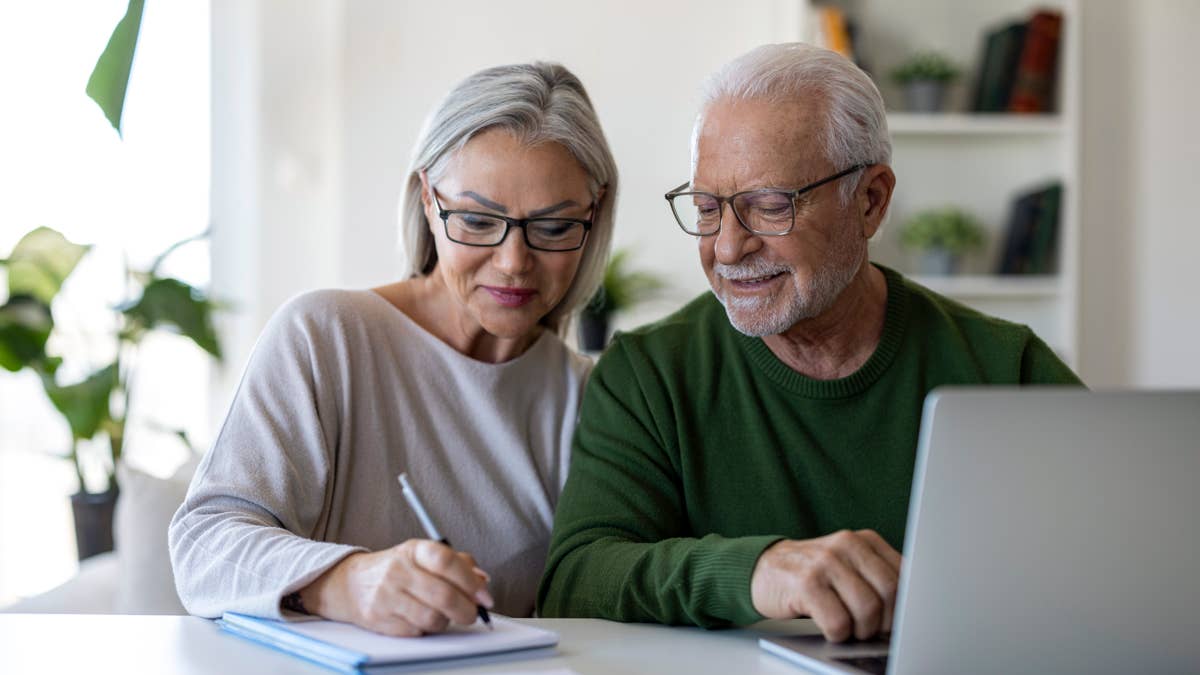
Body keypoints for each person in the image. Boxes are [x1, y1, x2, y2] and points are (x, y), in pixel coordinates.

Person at [537, 43, 1082, 642]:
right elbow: (576, 579)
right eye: (708, 208)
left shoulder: (1007, 367)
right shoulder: (650, 374)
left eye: (769, 207)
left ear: (870, 201)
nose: (726, 248)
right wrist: (756, 572)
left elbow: (1117, 557)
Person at [169, 62, 618, 636]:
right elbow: (204, 544)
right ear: (429, 199)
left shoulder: (586, 395)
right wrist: (346, 582)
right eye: (478, 221)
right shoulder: (325, 336)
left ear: (594, 213)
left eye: (553, 228)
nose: (513, 262)